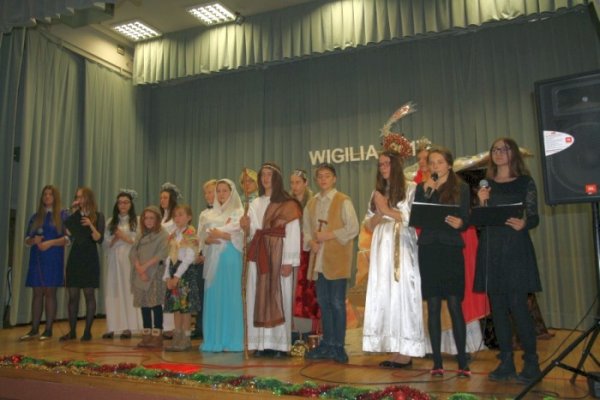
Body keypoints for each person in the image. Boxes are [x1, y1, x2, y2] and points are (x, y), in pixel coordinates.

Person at [474, 137, 542, 384]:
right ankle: (506, 362)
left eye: (504, 149)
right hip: (491, 249)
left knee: (518, 307)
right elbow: (479, 222)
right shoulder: (487, 185)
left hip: (515, 249)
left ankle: (531, 363)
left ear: (513, 153)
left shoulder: (525, 182)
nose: (499, 153)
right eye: (495, 150)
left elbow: (534, 216)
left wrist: (525, 223)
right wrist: (481, 201)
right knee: (499, 310)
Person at [362, 150, 426, 367]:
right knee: (385, 293)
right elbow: (369, 224)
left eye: (387, 163)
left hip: (402, 244)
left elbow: (412, 218)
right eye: (380, 165)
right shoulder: (377, 192)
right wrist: (380, 212)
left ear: (396, 165)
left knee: (403, 293)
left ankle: (406, 350)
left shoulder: (411, 188)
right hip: (382, 246)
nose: (383, 168)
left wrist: (386, 209)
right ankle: (393, 347)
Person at [415, 147, 470, 377]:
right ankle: (437, 362)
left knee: (455, 304)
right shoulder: (422, 187)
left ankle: (463, 361)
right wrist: (427, 190)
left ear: (449, 164)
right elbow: (416, 217)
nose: (435, 166)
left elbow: (466, 217)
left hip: (450, 248)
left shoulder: (461, 187)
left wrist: (461, 223)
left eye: (439, 162)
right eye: (432, 162)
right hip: (429, 248)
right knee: (434, 305)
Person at [241, 162, 302, 357]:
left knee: (278, 296)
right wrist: (246, 227)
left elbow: (293, 232)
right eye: (263, 175)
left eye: (269, 174)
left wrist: (289, 261)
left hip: (279, 255)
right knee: (257, 296)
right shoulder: (255, 203)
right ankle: (261, 344)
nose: (265, 178)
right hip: (259, 256)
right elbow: (252, 232)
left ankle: (279, 346)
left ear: (277, 178)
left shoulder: (288, 204)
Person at [304, 163, 359, 364]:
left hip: (337, 260)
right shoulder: (311, 203)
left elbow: (353, 228)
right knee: (324, 303)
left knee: (337, 303)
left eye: (327, 176)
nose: (323, 179)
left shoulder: (343, 200)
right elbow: (306, 229)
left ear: (334, 179)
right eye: (320, 176)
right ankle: (327, 344)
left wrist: (328, 235)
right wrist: (311, 241)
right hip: (319, 261)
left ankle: (338, 346)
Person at [200, 179, 244, 352]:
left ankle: (232, 339)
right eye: (218, 191)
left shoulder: (239, 212)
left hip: (231, 257)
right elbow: (202, 238)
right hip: (213, 259)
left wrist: (222, 235)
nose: (221, 194)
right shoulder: (209, 214)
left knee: (230, 296)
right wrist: (208, 240)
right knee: (215, 297)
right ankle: (215, 339)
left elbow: (243, 237)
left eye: (225, 190)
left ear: (232, 192)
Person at [19, 185, 67, 341]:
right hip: (37, 258)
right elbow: (27, 240)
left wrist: (50, 243)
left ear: (55, 197)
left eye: (50, 194)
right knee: (37, 293)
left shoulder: (62, 216)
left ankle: (48, 330)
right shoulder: (35, 217)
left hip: (53, 258)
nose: (47, 196)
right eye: (45, 194)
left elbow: (67, 239)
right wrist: (34, 240)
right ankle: (34, 329)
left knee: (50, 293)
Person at [61, 187, 105, 341]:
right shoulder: (75, 215)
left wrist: (90, 224)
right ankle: (72, 331)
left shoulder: (98, 216)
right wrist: (72, 212)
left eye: (81, 197)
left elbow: (99, 239)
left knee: (89, 294)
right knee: (73, 296)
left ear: (88, 198)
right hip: (75, 257)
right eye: (77, 197)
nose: (78, 199)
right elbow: (68, 232)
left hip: (90, 257)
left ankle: (87, 332)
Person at [102, 190, 142, 340]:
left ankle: (128, 327)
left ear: (131, 204)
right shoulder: (110, 222)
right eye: (120, 203)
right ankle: (113, 326)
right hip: (114, 260)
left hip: (129, 259)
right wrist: (115, 238)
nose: (123, 205)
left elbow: (139, 242)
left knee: (127, 291)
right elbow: (106, 244)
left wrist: (124, 237)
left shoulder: (137, 221)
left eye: (126, 202)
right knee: (114, 291)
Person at [129, 206, 169, 348]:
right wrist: (139, 268)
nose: (149, 221)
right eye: (146, 218)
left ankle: (157, 336)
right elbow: (133, 252)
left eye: (152, 218)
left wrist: (145, 268)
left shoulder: (163, 235)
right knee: (144, 304)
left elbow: (162, 254)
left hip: (155, 273)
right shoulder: (140, 234)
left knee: (155, 304)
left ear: (158, 219)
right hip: (140, 273)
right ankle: (146, 335)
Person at [163, 204, 200, 351]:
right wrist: (167, 276)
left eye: (180, 215)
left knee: (185, 308)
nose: (177, 218)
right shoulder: (173, 234)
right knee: (176, 307)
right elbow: (169, 256)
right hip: (173, 271)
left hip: (185, 273)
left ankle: (186, 338)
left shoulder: (190, 233)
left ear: (189, 217)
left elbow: (189, 257)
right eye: (175, 215)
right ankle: (177, 337)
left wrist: (177, 276)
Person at [289, 169, 320, 336]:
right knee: (293, 288)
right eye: (292, 183)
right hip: (292, 248)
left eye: (298, 182)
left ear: (306, 183)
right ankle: (294, 330)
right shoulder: (287, 203)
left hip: (308, 249)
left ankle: (309, 330)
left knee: (308, 289)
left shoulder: (314, 202)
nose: (294, 186)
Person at [191, 179, 217, 340]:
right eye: (206, 193)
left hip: (215, 256)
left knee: (214, 292)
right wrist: (198, 253)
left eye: (211, 192)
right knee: (201, 292)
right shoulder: (203, 214)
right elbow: (200, 236)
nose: (208, 195)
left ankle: (213, 326)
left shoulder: (225, 212)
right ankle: (200, 326)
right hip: (203, 257)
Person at [159, 182, 181, 338]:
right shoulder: (161, 216)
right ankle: (162, 325)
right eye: (161, 198)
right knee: (161, 293)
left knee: (170, 292)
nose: (162, 200)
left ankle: (171, 327)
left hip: (171, 256)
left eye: (165, 197)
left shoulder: (175, 217)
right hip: (160, 256)